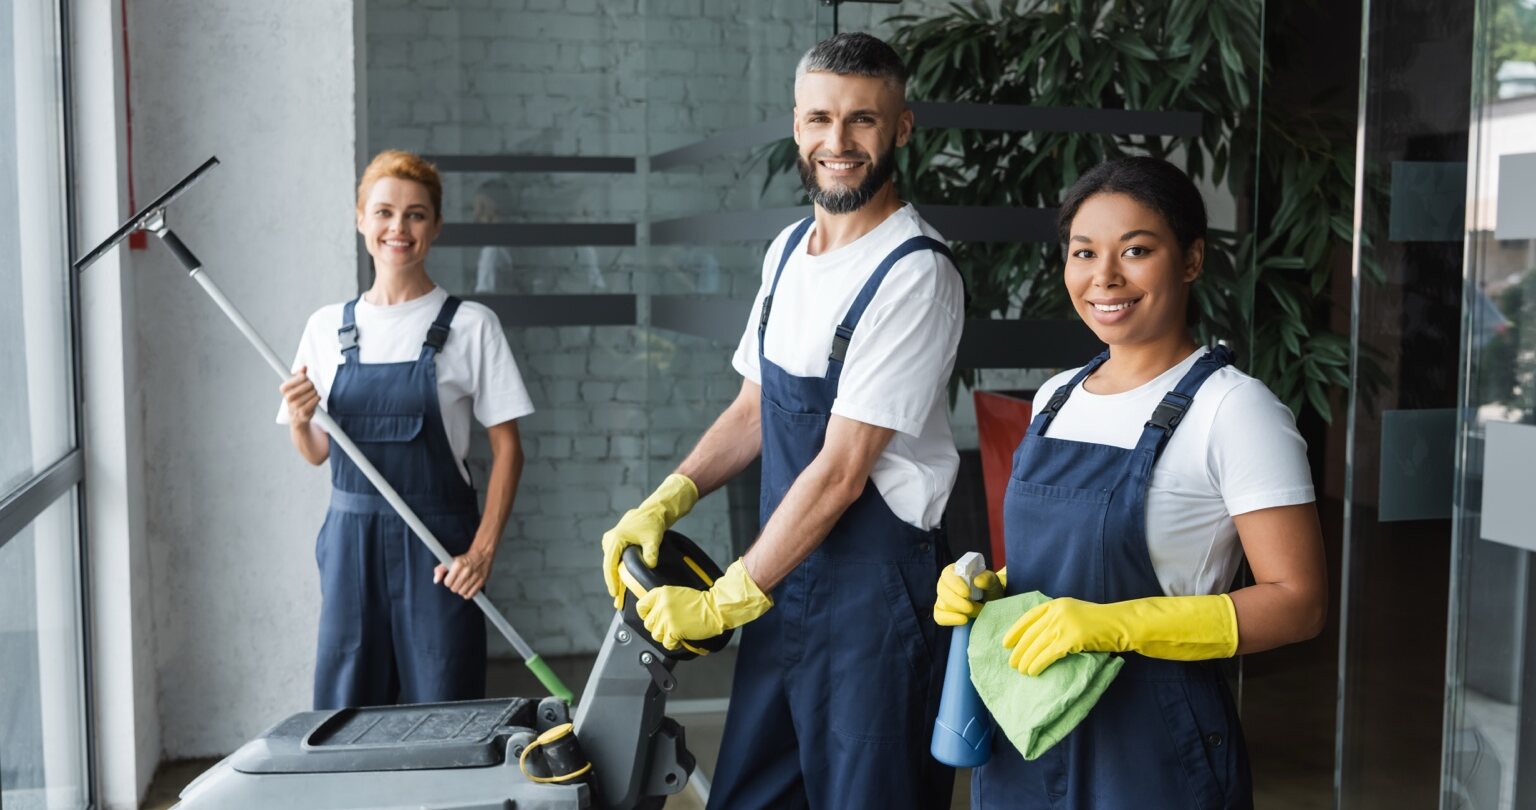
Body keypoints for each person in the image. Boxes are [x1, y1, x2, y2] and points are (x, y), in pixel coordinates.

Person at [599, 32, 964, 810]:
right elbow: (754, 408)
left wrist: (726, 598)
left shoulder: (915, 273)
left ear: (901, 127)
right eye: (821, 119)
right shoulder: (788, 250)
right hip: (782, 583)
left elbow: (838, 471)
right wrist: (670, 495)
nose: (839, 142)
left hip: (874, 605)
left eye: (863, 121)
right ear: (796, 125)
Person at [934, 156, 1328, 809]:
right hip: (1027, 731)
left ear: (1192, 260)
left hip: (1152, 752)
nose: (1104, 277)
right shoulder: (1055, 398)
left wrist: (1120, 625)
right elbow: (1056, 564)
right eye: (1083, 252)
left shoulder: (1235, 410)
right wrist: (987, 590)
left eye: (1136, 250)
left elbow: (1299, 602)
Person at [277, 149, 535, 710]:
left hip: (439, 546)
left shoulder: (471, 326)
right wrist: (300, 420)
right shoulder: (326, 328)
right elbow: (318, 454)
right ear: (361, 219)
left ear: (436, 226)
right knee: (346, 709)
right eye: (385, 212)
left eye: (416, 214)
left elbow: (508, 448)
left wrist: (481, 551)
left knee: (445, 705)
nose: (399, 227)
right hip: (350, 543)